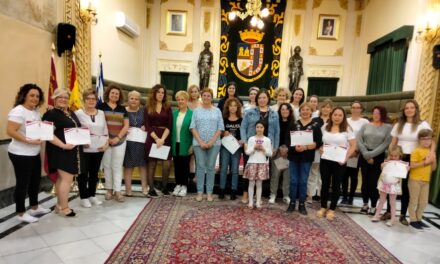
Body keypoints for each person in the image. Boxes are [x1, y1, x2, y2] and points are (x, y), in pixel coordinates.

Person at [7, 83, 51, 223]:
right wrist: (28, 141)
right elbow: (10, 131)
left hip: (33, 153)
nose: (35, 98)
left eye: (37, 96)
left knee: (34, 181)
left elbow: (37, 129)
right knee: (22, 183)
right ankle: (21, 212)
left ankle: (34, 206)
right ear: (24, 96)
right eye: (32, 95)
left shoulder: (35, 112)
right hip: (20, 153)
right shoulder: (18, 111)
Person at [387, 99, 434, 225]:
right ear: (404, 110)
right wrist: (389, 156)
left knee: (406, 188)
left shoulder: (422, 124)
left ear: (416, 109)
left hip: (414, 159)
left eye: (411, 107)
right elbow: (393, 142)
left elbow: (431, 141)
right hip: (399, 157)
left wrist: (431, 154)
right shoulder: (398, 124)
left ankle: (402, 215)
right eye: (406, 108)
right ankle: (388, 211)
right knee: (392, 184)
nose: (409, 110)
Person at [43, 88, 85, 217]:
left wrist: (84, 139)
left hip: (72, 151)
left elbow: (77, 129)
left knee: (63, 179)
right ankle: (64, 208)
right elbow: (47, 134)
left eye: (66, 97)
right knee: (67, 179)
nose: (63, 100)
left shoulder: (71, 113)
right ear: (54, 99)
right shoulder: (51, 114)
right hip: (60, 151)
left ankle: (59, 205)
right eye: (60, 97)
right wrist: (63, 145)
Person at [317, 107, 356, 220]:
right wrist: (320, 148)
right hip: (325, 159)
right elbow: (322, 142)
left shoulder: (347, 129)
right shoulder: (325, 127)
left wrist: (346, 157)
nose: (337, 117)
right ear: (331, 115)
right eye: (335, 115)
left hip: (340, 161)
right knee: (324, 184)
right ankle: (323, 207)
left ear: (343, 117)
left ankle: (332, 209)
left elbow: (353, 145)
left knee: (336, 185)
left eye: (340, 115)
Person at [241, 89, 280, 201]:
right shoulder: (250, 112)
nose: (262, 100)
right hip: (251, 144)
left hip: (266, 146)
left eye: (264, 97)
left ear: (268, 99)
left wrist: (275, 147)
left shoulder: (274, 113)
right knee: (248, 170)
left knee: (262, 170)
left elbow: (277, 131)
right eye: (260, 98)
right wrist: (245, 142)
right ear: (256, 99)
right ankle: (245, 193)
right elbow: (243, 127)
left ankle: (257, 195)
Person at [286, 103, 323, 215]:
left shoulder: (315, 125)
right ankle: (292, 202)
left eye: (308, 110)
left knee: (303, 181)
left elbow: (318, 142)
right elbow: (287, 140)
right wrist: (294, 147)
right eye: (303, 109)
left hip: (307, 158)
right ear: (300, 111)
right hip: (293, 156)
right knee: (293, 180)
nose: (305, 111)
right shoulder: (293, 123)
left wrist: (306, 147)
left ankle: (302, 203)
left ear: (311, 112)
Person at [75, 89, 108, 208]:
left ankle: (92, 195)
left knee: (94, 173)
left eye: (93, 99)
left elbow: (105, 129)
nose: (91, 101)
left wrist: (106, 144)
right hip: (84, 148)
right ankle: (84, 197)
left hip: (99, 148)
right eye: (88, 98)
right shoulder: (78, 113)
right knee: (83, 173)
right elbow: (76, 130)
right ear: (84, 100)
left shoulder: (101, 113)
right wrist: (82, 142)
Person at [190, 88, 224, 202]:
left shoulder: (217, 111)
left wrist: (210, 142)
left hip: (214, 144)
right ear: (201, 96)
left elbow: (220, 128)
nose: (206, 97)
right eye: (204, 95)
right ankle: (199, 192)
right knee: (200, 167)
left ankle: (209, 193)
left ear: (211, 97)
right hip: (198, 143)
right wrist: (200, 142)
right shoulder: (196, 111)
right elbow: (192, 127)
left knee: (210, 167)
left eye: (208, 95)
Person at [357, 106, 392, 214]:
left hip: (378, 157)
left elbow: (385, 144)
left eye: (378, 113)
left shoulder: (388, 127)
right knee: (365, 182)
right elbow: (359, 140)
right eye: (374, 113)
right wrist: (366, 155)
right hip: (364, 155)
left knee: (373, 183)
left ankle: (373, 205)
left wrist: (371, 155)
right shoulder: (365, 125)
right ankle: (365, 204)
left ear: (383, 114)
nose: (376, 115)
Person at [98, 84, 129, 202]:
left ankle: (118, 191)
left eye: (117, 93)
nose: (115, 95)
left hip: (120, 141)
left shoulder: (122, 109)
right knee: (107, 165)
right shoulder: (100, 107)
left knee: (117, 166)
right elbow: (99, 123)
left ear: (119, 96)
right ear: (108, 94)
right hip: (105, 141)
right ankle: (109, 190)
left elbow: (126, 125)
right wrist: (107, 138)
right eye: (113, 93)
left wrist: (118, 137)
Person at [144, 84, 173, 196]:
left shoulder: (168, 107)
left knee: (166, 163)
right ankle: (151, 189)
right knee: (152, 163)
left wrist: (162, 139)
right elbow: (147, 125)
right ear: (154, 93)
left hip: (165, 137)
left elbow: (169, 125)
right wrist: (156, 139)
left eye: (163, 92)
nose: (161, 94)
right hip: (152, 137)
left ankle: (164, 187)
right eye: (159, 92)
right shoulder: (148, 107)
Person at [340, 101, 369, 206]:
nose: (355, 109)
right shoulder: (346, 120)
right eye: (353, 107)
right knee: (344, 175)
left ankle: (351, 197)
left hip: (356, 152)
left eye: (358, 107)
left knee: (353, 175)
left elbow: (365, 137)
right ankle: (344, 196)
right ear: (350, 109)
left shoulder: (365, 122)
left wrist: (356, 150)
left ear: (361, 109)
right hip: (344, 151)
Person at [408, 129, 437, 230]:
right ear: (419, 140)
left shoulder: (431, 152)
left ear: (431, 140)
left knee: (424, 202)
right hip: (415, 179)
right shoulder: (416, 151)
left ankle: (419, 218)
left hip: (426, 180)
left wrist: (433, 160)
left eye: (428, 139)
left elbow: (433, 168)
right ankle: (412, 219)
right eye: (423, 139)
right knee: (414, 201)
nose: (426, 141)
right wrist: (425, 162)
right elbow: (412, 165)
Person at [371, 145, 405, 226]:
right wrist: (387, 161)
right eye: (392, 155)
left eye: (395, 156)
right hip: (384, 184)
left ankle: (392, 219)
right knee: (381, 201)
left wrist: (405, 168)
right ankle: (376, 215)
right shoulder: (387, 162)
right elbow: (382, 166)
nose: (393, 157)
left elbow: (406, 170)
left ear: (400, 155)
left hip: (393, 185)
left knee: (392, 202)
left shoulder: (402, 164)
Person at [307, 99, 333, 203]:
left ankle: (322, 194)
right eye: (324, 107)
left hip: (329, 151)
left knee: (325, 174)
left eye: (328, 107)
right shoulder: (315, 120)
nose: (326, 109)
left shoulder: (333, 121)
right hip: (317, 149)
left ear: (331, 109)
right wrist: (318, 145)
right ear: (321, 108)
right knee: (313, 172)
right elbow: (311, 135)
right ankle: (310, 195)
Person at [123, 91, 148, 196]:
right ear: (128, 99)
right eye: (132, 98)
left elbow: (148, 122)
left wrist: (145, 126)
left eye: (136, 99)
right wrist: (123, 128)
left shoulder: (144, 111)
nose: (134, 101)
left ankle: (144, 188)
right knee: (128, 165)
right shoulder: (123, 111)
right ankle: (128, 189)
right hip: (127, 142)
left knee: (143, 165)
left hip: (141, 141)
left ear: (139, 101)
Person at [243, 121, 272, 208]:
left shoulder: (267, 140)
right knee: (251, 183)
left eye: (261, 127)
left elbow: (270, 153)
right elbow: (247, 152)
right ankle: (251, 201)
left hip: (262, 163)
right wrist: (253, 148)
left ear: (264, 128)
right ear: (255, 128)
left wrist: (263, 149)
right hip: (252, 163)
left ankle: (258, 201)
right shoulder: (251, 139)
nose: (259, 129)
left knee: (259, 184)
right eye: (257, 127)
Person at [269, 103, 293, 205]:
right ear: (279, 111)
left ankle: (286, 195)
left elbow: (294, 138)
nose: (285, 111)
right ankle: (273, 194)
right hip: (277, 150)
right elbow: (272, 134)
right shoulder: (275, 122)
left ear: (290, 111)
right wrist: (277, 147)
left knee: (287, 175)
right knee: (276, 174)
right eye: (282, 109)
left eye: (287, 109)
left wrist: (287, 148)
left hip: (289, 152)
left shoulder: (293, 123)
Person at [219, 97, 243, 200]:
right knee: (223, 169)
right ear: (227, 107)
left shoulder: (241, 120)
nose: (232, 108)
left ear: (237, 108)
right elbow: (219, 133)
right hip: (225, 147)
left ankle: (234, 191)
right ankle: (222, 190)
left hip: (236, 148)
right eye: (230, 106)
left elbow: (243, 134)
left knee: (235, 170)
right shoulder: (223, 120)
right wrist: (223, 133)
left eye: (235, 106)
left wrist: (241, 140)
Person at [171, 91, 193, 197]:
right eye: (178, 99)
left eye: (182, 99)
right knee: (177, 165)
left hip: (186, 144)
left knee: (185, 165)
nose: (180, 101)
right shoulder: (174, 114)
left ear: (187, 100)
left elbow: (195, 131)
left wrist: (192, 145)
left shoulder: (192, 114)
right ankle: (178, 184)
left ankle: (184, 186)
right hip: (175, 143)